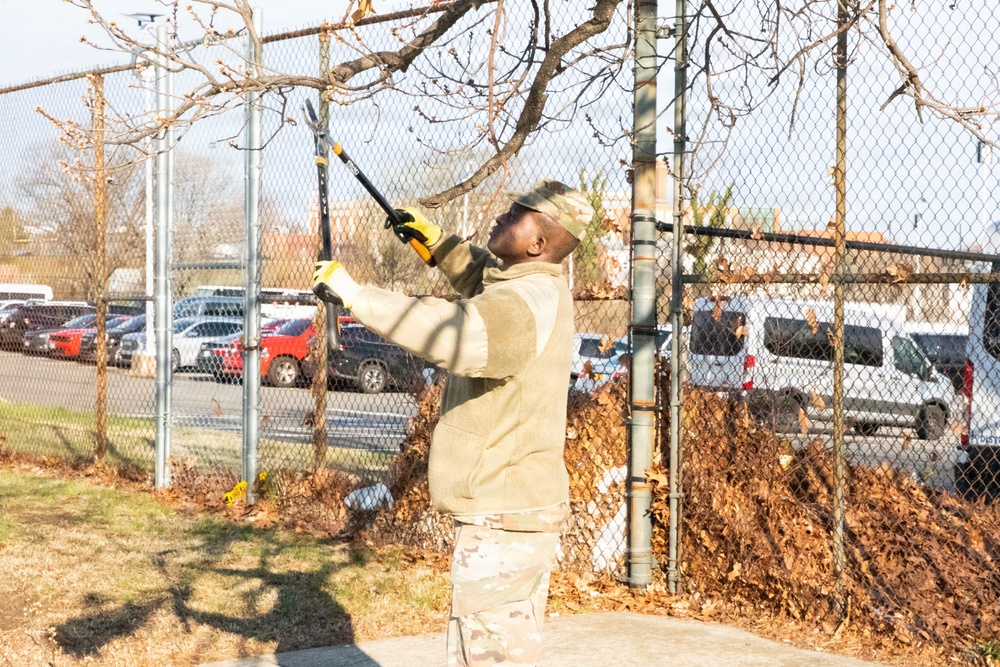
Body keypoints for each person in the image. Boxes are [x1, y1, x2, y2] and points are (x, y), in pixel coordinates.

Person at [313, 178, 593, 666]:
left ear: (538, 244)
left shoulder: (522, 307)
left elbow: (453, 334)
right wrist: (437, 242)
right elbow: (483, 278)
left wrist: (356, 295)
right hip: (516, 508)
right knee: (498, 647)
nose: (501, 216)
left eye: (516, 214)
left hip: (504, 514)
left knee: (488, 655)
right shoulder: (532, 285)